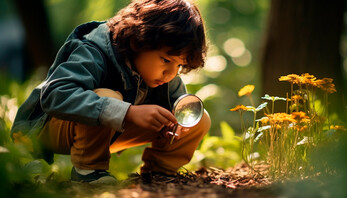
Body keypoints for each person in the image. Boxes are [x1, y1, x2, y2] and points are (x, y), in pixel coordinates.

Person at [10, 0, 210, 184]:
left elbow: (180, 106)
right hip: (47, 130)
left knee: (198, 117)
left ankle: (159, 174)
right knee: (107, 97)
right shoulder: (93, 51)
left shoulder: (164, 76)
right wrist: (127, 112)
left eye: (179, 65)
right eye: (166, 60)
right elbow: (56, 95)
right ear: (138, 40)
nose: (170, 73)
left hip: (108, 133)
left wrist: (175, 124)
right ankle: (89, 171)